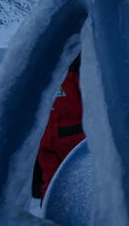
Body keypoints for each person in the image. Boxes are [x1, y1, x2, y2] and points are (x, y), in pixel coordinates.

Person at [35, 55, 85, 199]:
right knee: (79, 186)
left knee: (51, 185)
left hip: (45, 136)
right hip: (75, 141)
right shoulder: (78, 64)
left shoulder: (38, 66)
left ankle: (49, 214)